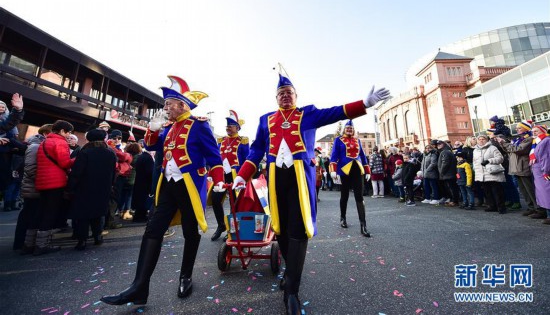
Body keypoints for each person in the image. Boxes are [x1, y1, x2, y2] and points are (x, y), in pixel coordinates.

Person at [231, 69, 390, 315]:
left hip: (300, 177)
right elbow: (256, 151)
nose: (286, 96)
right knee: (281, 229)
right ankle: (290, 270)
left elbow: (336, 111)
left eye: (290, 93)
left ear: (296, 96)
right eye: (281, 93)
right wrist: (242, 175)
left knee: (299, 228)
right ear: (276, 98)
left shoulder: (308, 114)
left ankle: (292, 289)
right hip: (275, 178)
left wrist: (365, 103)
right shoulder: (265, 119)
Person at [101, 75, 224, 306]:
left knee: (190, 230)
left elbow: (214, 156)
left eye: (169, 104)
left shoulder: (199, 125)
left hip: (188, 184)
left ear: (182, 105)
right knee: (153, 230)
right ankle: (139, 287)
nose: (165, 108)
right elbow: (150, 145)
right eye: (165, 104)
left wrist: (218, 179)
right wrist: (153, 129)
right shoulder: (168, 126)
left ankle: (186, 276)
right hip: (167, 184)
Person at [67, 129, 117, 250]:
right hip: (103, 187)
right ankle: (97, 236)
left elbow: (77, 172)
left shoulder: (85, 152)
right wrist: (110, 185)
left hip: (84, 187)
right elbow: (113, 172)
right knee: (98, 213)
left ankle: (82, 240)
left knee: (83, 214)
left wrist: (70, 187)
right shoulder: (110, 153)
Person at [34, 120, 75, 255]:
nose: (69, 135)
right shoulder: (60, 142)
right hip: (55, 182)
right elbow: (65, 163)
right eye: (68, 132)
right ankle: (42, 245)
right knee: (50, 213)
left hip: (42, 181)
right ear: (62, 131)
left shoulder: (45, 142)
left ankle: (30, 243)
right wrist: (77, 159)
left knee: (40, 211)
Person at [211, 110, 249, 241]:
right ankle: (221, 225)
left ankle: (232, 229)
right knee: (215, 200)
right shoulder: (221, 140)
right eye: (227, 126)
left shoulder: (242, 141)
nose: (228, 128)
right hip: (221, 176)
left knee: (235, 203)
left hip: (235, 176)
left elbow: (246, 160)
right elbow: (216, 158)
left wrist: (244, 177)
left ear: (237, 127)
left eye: (231, 125)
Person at [14, 124, 52, 252]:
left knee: (32, 214)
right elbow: (30, 169)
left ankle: (26, 243)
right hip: (33, 187)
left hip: (35, 186)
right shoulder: (35, 146)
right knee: (29, 214)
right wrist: (44, 181)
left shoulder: (39, 145)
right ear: (46, 134)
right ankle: (21, 243)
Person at [329, 120, 371, 236]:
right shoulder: (338, 140)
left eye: (351, 128)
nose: (349, 130)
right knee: (344, 195)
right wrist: (333, 170)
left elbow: (362, 155)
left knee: (359, 196)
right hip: (344, 170)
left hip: (357, 169)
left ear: (354, 129)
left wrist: (367, 170)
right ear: (344, 129)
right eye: (347, 128)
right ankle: (343, 218)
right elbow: (334, 155)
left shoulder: (358, 140)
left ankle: (363, 225)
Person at [499, 121, 541, 216]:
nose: (517, 129)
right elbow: (509, 150)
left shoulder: (529, 139)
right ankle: (531, 207)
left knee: (530, 189)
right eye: (517, 128)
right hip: (517, 167)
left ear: (526, 129)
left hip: (523, 167)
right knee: (523, 190)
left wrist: (505, 143)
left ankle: (538, 209)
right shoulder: (519, 139)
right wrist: (503, 144)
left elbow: (518, 150)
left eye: (519, 128)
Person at [472, 134, 506, 214]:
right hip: (482, 174)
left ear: (487, 140)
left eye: (483, 139)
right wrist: (475, 170)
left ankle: (501, 207)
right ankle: (491, 206)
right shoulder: (475, 150)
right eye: (479, 139)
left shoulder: (492, 148)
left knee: (497, 191)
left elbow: (500, 158)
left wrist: (489, 160)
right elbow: (475, 162)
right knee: (487, 192)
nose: (481, 140)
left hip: (492, 172)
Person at [530, 124, 550, 223]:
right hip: (538, 171)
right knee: (542, 193)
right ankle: (546, 213)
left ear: (543, 131)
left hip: (543, 171)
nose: (534, 133)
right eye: (533, 132)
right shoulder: (538, 141)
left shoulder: (546, 141)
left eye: (536, 131)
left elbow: (546, 158)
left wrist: (546, 171)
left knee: (547, 193)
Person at [436, 140, 460, 206]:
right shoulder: (446, 151)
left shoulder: (445, 152)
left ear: (444, 144)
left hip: (448, 173)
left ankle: (454, 201)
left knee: (451, 188)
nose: (438, 145)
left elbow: (445, 163)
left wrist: (441, 172)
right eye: (437, 144)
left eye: (440, 144)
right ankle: (454, 200)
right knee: (452, 187)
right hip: (449, 173)